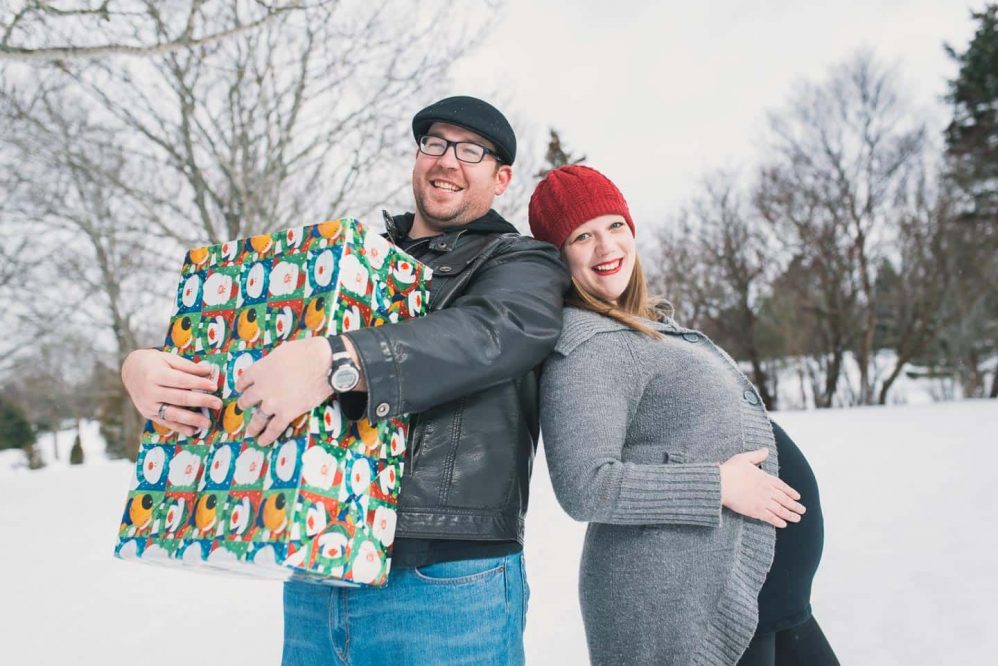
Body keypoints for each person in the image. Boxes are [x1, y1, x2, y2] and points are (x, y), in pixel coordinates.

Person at [120, 96, 569, 665]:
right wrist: (148, 367)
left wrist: (339, 358)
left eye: (472, 151)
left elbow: (494, 332)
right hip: (317, 564)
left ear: (501, 177)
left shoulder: (521, 263)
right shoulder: (353, 262)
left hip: (445, 580)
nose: (448, 160)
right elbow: (255, 345)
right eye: (435, 143)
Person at [528, 164, 838, 666]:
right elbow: (584, 486)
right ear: (559, 258)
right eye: (582, 236)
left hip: (754, 589)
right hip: (686, 606)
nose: (607, 248)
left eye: (615, 226)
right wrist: (720, 486)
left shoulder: (638, 328)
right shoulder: (585, 347)